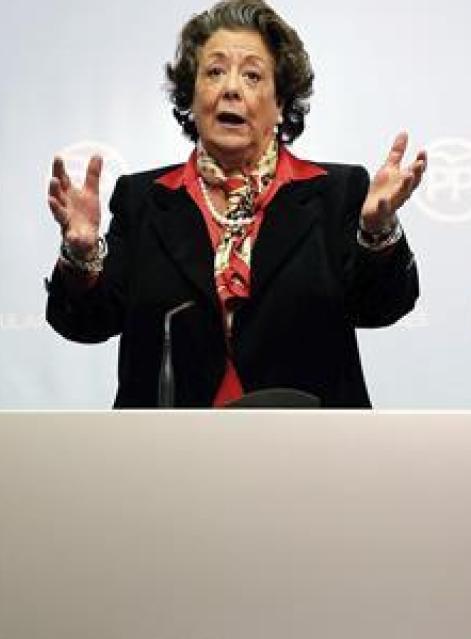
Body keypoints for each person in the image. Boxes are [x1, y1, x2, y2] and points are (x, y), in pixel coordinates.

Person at [44, 0, 426, 408]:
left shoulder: (336, 192)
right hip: (168, 442)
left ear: (281, 103)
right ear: (191, 96)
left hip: (308, 439)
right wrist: (79, 255)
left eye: (252, 75)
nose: (230, 88)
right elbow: (86, 323)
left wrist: (378, 233)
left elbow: (381, 307)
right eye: (214, 71)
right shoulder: (143, 199)